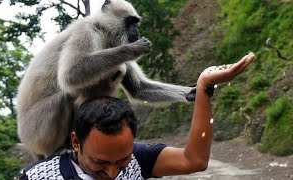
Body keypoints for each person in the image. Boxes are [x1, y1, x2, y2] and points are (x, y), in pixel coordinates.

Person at [19, 52, 255, 180]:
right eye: (100, 163)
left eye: (122, 161)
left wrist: (202, 88)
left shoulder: (137, 160)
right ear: (75, 143)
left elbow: (194, 161)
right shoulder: (38, 177)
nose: (112, 174)